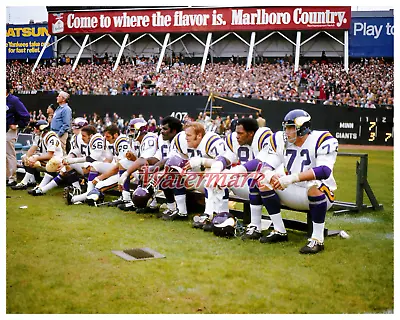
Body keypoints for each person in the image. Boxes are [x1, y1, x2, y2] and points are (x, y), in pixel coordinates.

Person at [255, 109, 338, 254]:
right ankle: (279, 230)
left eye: (290, 128)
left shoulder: (322, 138)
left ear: (302, 128)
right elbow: (266, 164)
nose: (286, 132)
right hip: (294, 189)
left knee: (314, 186)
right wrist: (269, 175)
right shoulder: (281, 140)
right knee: (264, 183)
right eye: (286, 128)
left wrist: (291, 178)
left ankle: (317, 240)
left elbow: (324, 171)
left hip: (321, 193)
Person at [6, 81, 30, 186]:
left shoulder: (14, 100)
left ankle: (12, 178)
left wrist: (17, 125)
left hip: (8, 131)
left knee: (9, 154)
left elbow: (25, 116)